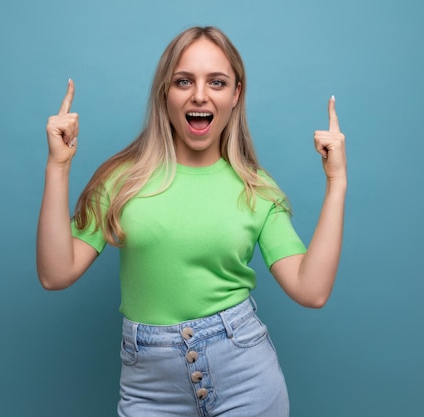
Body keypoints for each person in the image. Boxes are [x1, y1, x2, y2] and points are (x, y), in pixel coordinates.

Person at [37, 26, 346, 417]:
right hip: (149, 390)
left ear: (236, 94)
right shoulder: (121, 180)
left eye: (217, 82)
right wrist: (57, 167)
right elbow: (55, 274)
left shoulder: (256, 188)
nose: (200, 95)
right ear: (165, 92)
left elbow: (311, 290)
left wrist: (337, 182)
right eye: (184, 81)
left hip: (246, 378)